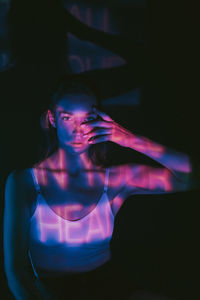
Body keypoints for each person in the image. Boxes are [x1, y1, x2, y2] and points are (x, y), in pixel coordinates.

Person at [3, 77, 197, 300]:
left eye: (87, 119)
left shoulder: (116, 179)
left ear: (100, 120)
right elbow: (16, 272)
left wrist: (130, 139)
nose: (78, 130)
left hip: (110, 288)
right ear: (52, 118)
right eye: (67, 118)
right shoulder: (24, 182)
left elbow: (192, 177)